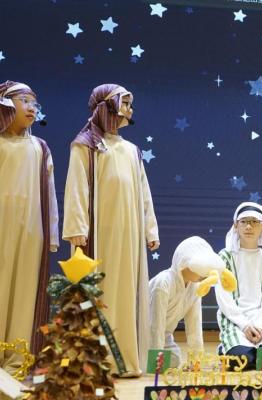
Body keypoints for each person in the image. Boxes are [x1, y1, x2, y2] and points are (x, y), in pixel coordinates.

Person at [63, 83, 159, 376]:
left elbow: (144, 193)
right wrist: (77, 228)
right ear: (107, 106)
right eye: (124, 103)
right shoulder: (85, 145)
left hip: (128, 234)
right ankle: (99, 361)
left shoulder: (132, 150)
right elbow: (76, 188)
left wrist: (150, 230)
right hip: (99, 234)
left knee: (126, 292)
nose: (130, 109)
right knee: (101, 292)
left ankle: (126, 360)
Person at [0, 81, 59, 365]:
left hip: (31, 230)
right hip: (2, 225)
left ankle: (18, 356)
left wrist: (52, 235)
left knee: (25, 291)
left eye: (35, 103)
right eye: (24, 101)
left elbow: (50, 193)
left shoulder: (39, 147)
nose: (32, 108)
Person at [149, 236, 237, 367]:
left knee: (175, 360)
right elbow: (155, 325)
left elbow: (194, 323)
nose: (203, 275)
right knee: (154, 361)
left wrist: (196, 360)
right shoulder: (163, 283)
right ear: (184, 264)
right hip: (142, 335)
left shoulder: (195, 287)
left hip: (165, 337)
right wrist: (155, 358)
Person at [215, 202, 262, 370]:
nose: (249, 227)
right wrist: (244, 325)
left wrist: (260, 326)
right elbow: (224, 298)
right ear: (235, 226)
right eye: (244, 222)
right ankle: (225, 347)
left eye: (254, 222)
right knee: (241, 360)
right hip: (235, 321)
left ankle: (252, 345)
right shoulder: (225, 257)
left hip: (261, 321)